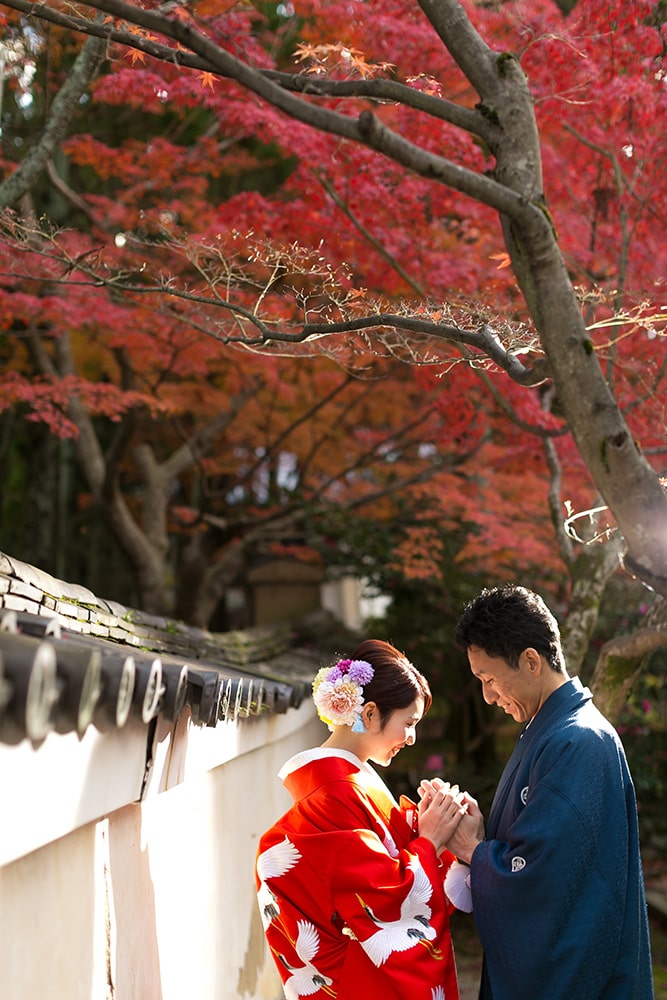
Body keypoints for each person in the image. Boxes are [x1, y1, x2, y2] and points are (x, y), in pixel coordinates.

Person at [436, 584, 654, 1000]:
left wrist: (473, 850)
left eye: (490, 679)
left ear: (531, 661)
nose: (488, 696)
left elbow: (543, 877)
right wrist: (484, 832)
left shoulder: (577, 741)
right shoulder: (555, 731)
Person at [255, 638, 471, 1000]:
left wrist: (434, 823)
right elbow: (383, 897)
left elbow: (383, 859)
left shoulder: (351, 781)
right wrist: (430, 840)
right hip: (356, 980)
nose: (413, 737)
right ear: (369, 714)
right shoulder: (337, 791)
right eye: (409, 722)